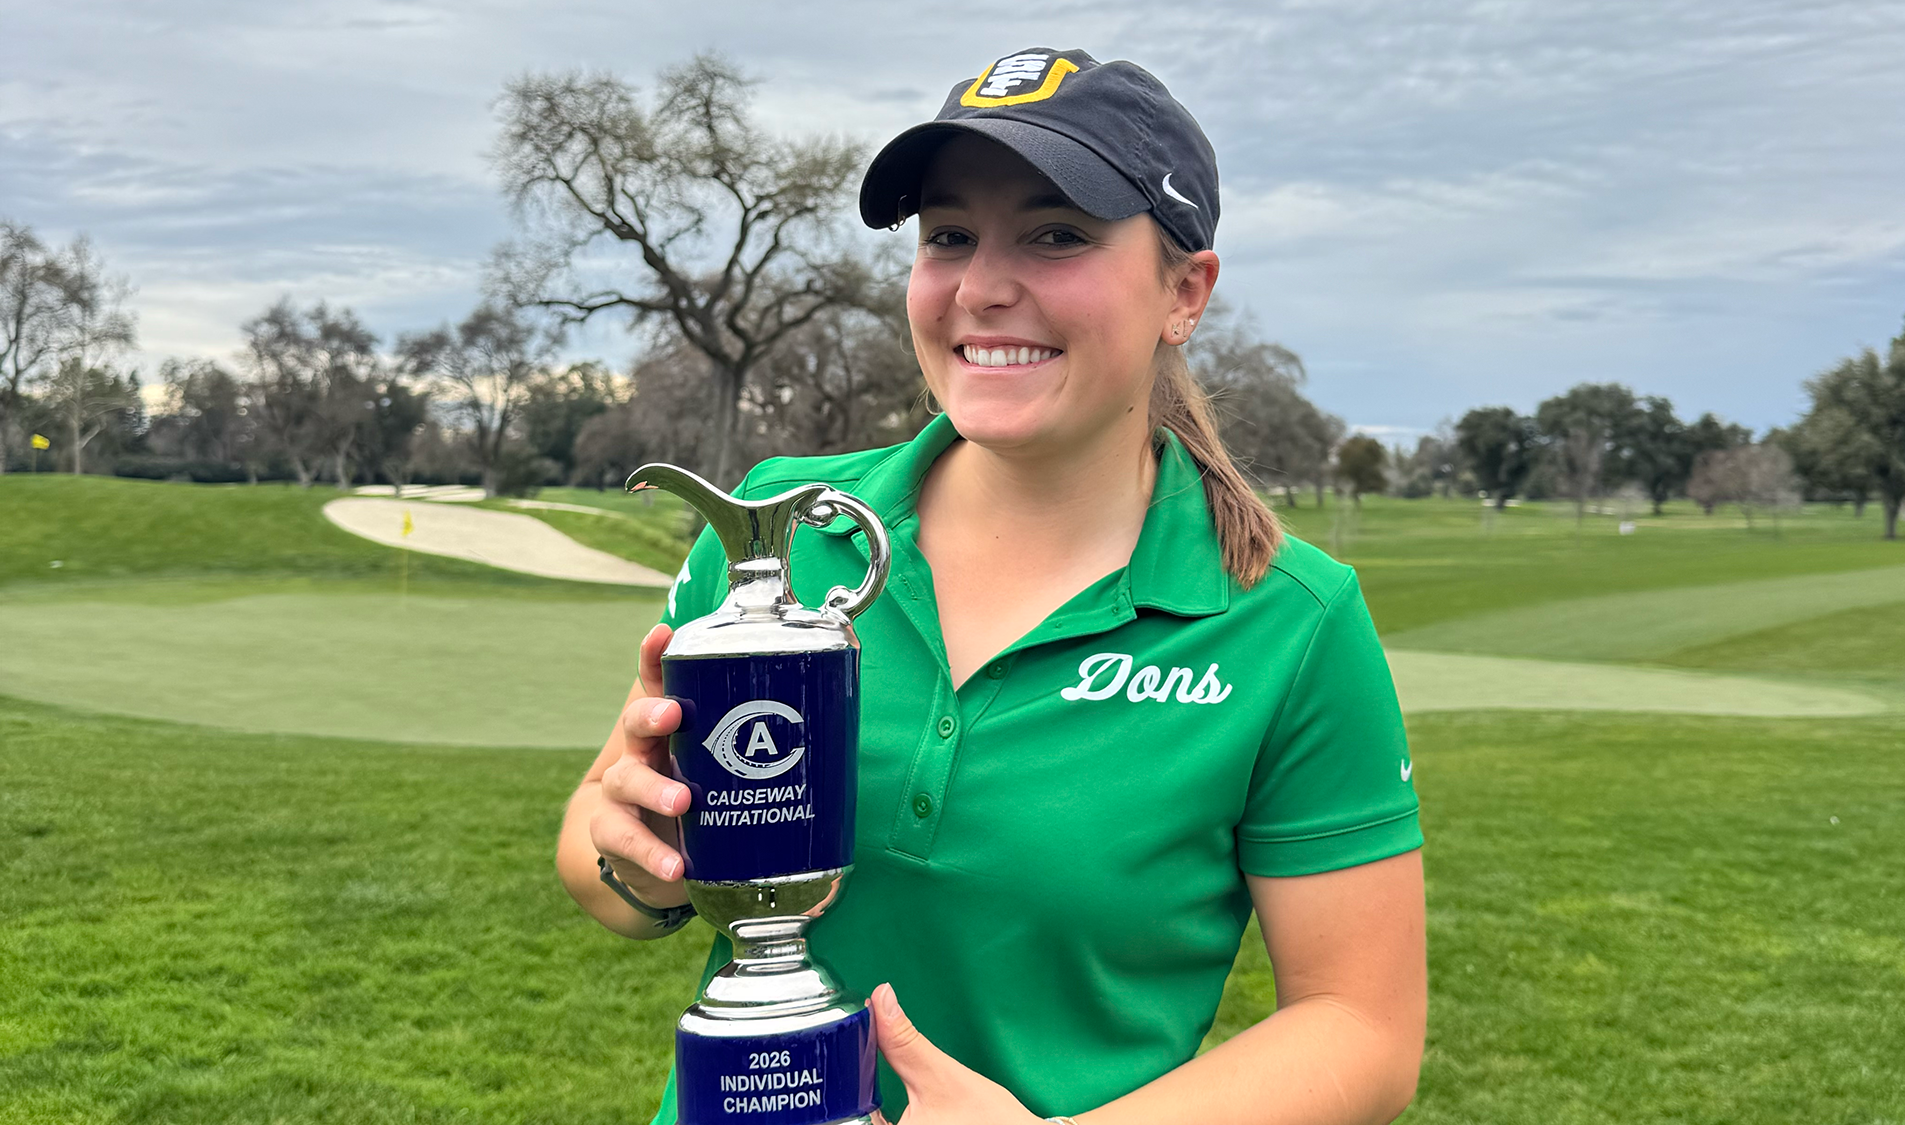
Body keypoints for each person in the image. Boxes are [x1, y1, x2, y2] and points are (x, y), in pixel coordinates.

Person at [556, 47, 1427, 1125]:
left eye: (1056, 234)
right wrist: (639, 854)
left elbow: (1361, 1027)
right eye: (949, 236)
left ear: (1183, 292)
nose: (980, 287)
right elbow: (598, 850)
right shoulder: (783, 526)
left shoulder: (1291, 623)